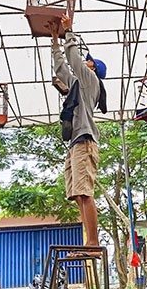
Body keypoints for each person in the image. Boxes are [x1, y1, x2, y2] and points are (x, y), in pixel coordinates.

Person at [51, 14, 107, 251]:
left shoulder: (91, 79)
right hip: (76, 142)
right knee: (77, 194)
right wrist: (54, 41)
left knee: (84, 192)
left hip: (84, 140)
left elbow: (73, 59)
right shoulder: (77, 85)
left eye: (88, 61)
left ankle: (93, 242)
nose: (84, 61)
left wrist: (68, 31)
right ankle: (90, 240)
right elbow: (61, 67)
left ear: (93, 67)